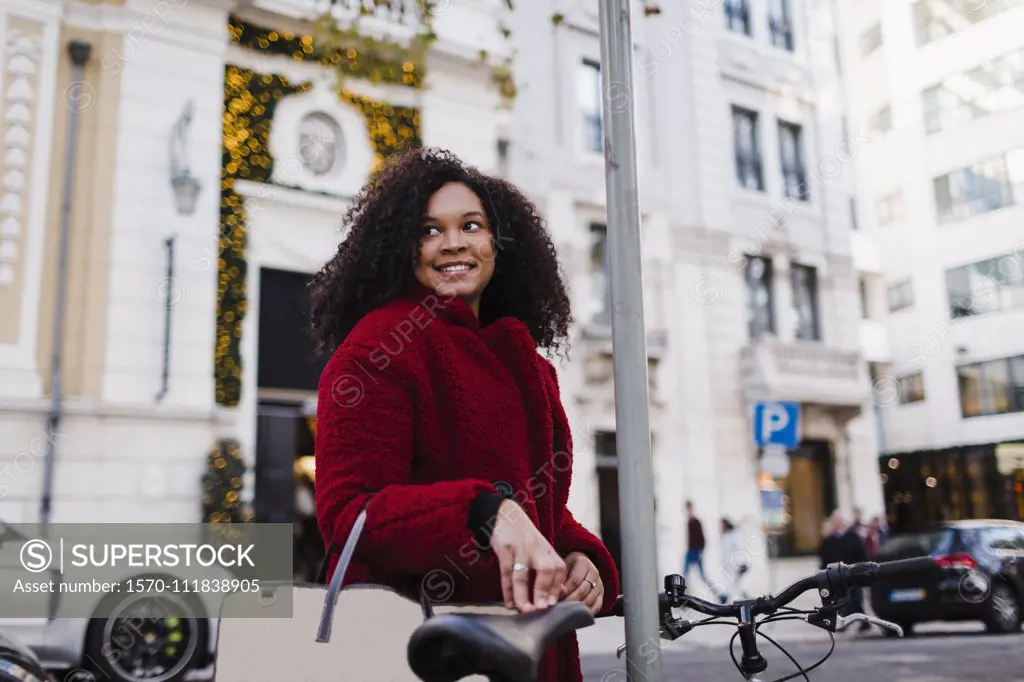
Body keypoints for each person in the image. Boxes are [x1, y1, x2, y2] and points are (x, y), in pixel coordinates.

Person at [309, 148, 620, 682]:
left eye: (471, 225)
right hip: (420, 652)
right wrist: (482, 511)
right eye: (430, 230)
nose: (453, 242)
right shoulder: (379, 347)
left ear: (498, 244)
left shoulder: (527, 364)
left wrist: (580, 558)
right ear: (404, 249)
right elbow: (351, 515)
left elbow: (538, 508)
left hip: (533, 648)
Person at [819, 513, 870, 631]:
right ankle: (850, 622)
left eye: (837, 522)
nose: (835, 524)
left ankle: (856, 622)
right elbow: (824, 559)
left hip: (854, 574)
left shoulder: (852, 537)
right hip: (837, 576)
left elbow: (862, 555)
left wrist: (864, 571)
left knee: (856, 600)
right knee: (843, 600)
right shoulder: (829, 541)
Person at [683, 500, 721, 598]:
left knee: (696, 576)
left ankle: (720, 595)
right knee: (688, 575)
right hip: (691, 551)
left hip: (695, 551)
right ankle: (720, 595)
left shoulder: (695, 521)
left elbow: (702, 537)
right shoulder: (690, 521)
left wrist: (700, 551)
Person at [718, 518, 750, 603]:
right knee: (733, 584)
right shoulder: (725, 536)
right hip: (730, 566)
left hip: (737, 564)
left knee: (734, 583)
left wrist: (741, 563)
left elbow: (738, 549)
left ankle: (726, 598)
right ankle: (726, 597)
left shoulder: (733, 535)